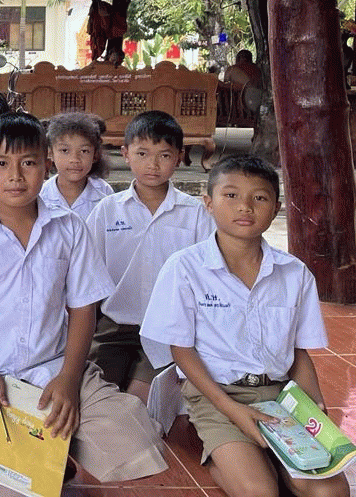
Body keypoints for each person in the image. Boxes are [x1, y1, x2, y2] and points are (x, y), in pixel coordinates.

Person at [0, 114, 166, 492]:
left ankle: (57, 454)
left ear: (45, 166)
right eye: (1, 164)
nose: (15, 176)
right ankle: (48, 462)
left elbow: (83, 309)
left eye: (28, 163)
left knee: (138, 442)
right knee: (13, 486)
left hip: (56, 369)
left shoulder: (68, 227)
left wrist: (69, 380)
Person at [141, 156, 348, 497]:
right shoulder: (185, 268)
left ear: (276, 208)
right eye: (231, 195)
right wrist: (232, 410)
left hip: (281, 395)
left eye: (260, 198)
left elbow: (298, 352)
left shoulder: (294, 273)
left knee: (330, 492)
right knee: (260, 491)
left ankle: (270, 460)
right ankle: (221, 456)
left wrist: (316, 412)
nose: (245, 207)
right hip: (218, 396)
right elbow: (181, 351)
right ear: (208, 203)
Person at [86, 110, 215, 400]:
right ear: (125, 154)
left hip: (168, 329)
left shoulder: (195, 213)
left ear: (179, 157)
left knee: (140, 400)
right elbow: (87, 274)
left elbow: (207, 275)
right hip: (113, 327)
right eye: (142, 154)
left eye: (164, 156)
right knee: (96, 397)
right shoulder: (108, 210)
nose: (153, 165)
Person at [40, 113, 113, 221]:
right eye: (65, 150)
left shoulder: (104, 192)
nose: (75, 159)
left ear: (95, 155)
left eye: (84, 151)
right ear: (50, 153)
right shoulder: (41, 195)